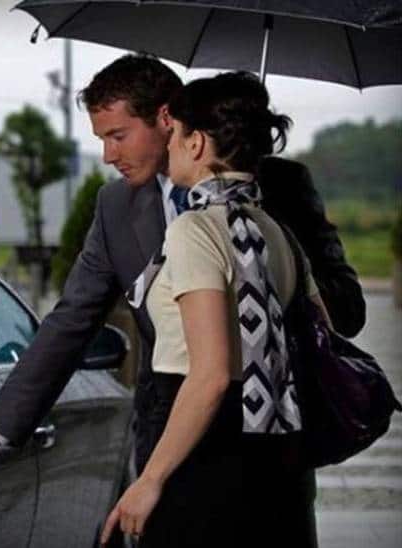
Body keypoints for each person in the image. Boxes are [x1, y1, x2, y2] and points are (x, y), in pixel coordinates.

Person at [0, 54, 363, 540]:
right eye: (101, 140)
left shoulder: (278, 193)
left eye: (118, 136)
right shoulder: (115, 205)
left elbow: (344, 312)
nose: (107, 155)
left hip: (272, 449)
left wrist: (255, 270)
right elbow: (70, 322)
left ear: (168, 120)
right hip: (172, 442)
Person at [99, 70, 328, 547]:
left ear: (197, 143)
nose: (172, 145)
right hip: (274, 452)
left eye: (177, 133)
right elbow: (318, 334)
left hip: (198, 447)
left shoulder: (194, 230)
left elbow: (210, 374)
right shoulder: (276, 230)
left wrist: (150, 480)